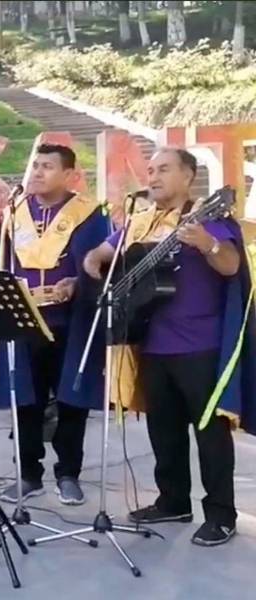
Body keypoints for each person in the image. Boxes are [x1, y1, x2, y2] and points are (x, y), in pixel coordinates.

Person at [83, 148, 256, 546]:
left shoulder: (210, 218)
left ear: (188, 176)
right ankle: (173, 501)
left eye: (163, 169)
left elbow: (231, 265)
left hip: (200, 343)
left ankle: (221, 515)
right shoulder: (140, 221)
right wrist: (95, 267)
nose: (153, 177)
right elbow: (102, 253)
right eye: (150, 170)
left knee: (210, 433)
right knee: (164, 430)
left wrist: (207, 245)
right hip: (151, 342)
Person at [0, 144, 109, 506]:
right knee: (26, 398)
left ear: (69, 174)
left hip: (70, 320)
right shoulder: (15, 212)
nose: (38, 172)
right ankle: (28, 474)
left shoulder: (89, 214)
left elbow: (104, 265)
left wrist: (77, 284)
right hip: (24, 320)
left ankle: (68, 473)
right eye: (36, 165)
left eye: (48, 166)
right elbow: (0, 263)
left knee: (72, 399)